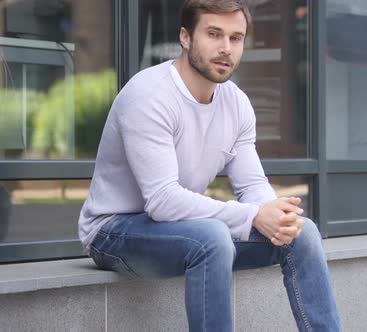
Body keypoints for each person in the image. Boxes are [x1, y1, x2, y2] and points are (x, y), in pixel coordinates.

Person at [78, 0, 341, 331]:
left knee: (303, 233)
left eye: (236, 38)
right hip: (113, 231)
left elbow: (251, 185)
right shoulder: (149, 95)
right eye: (214, 34)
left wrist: (274, 211)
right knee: (212, 237)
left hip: (179, 230)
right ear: (186, 38)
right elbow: (162, 200)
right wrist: (252, 216)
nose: (225, 48)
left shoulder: (236, 103)